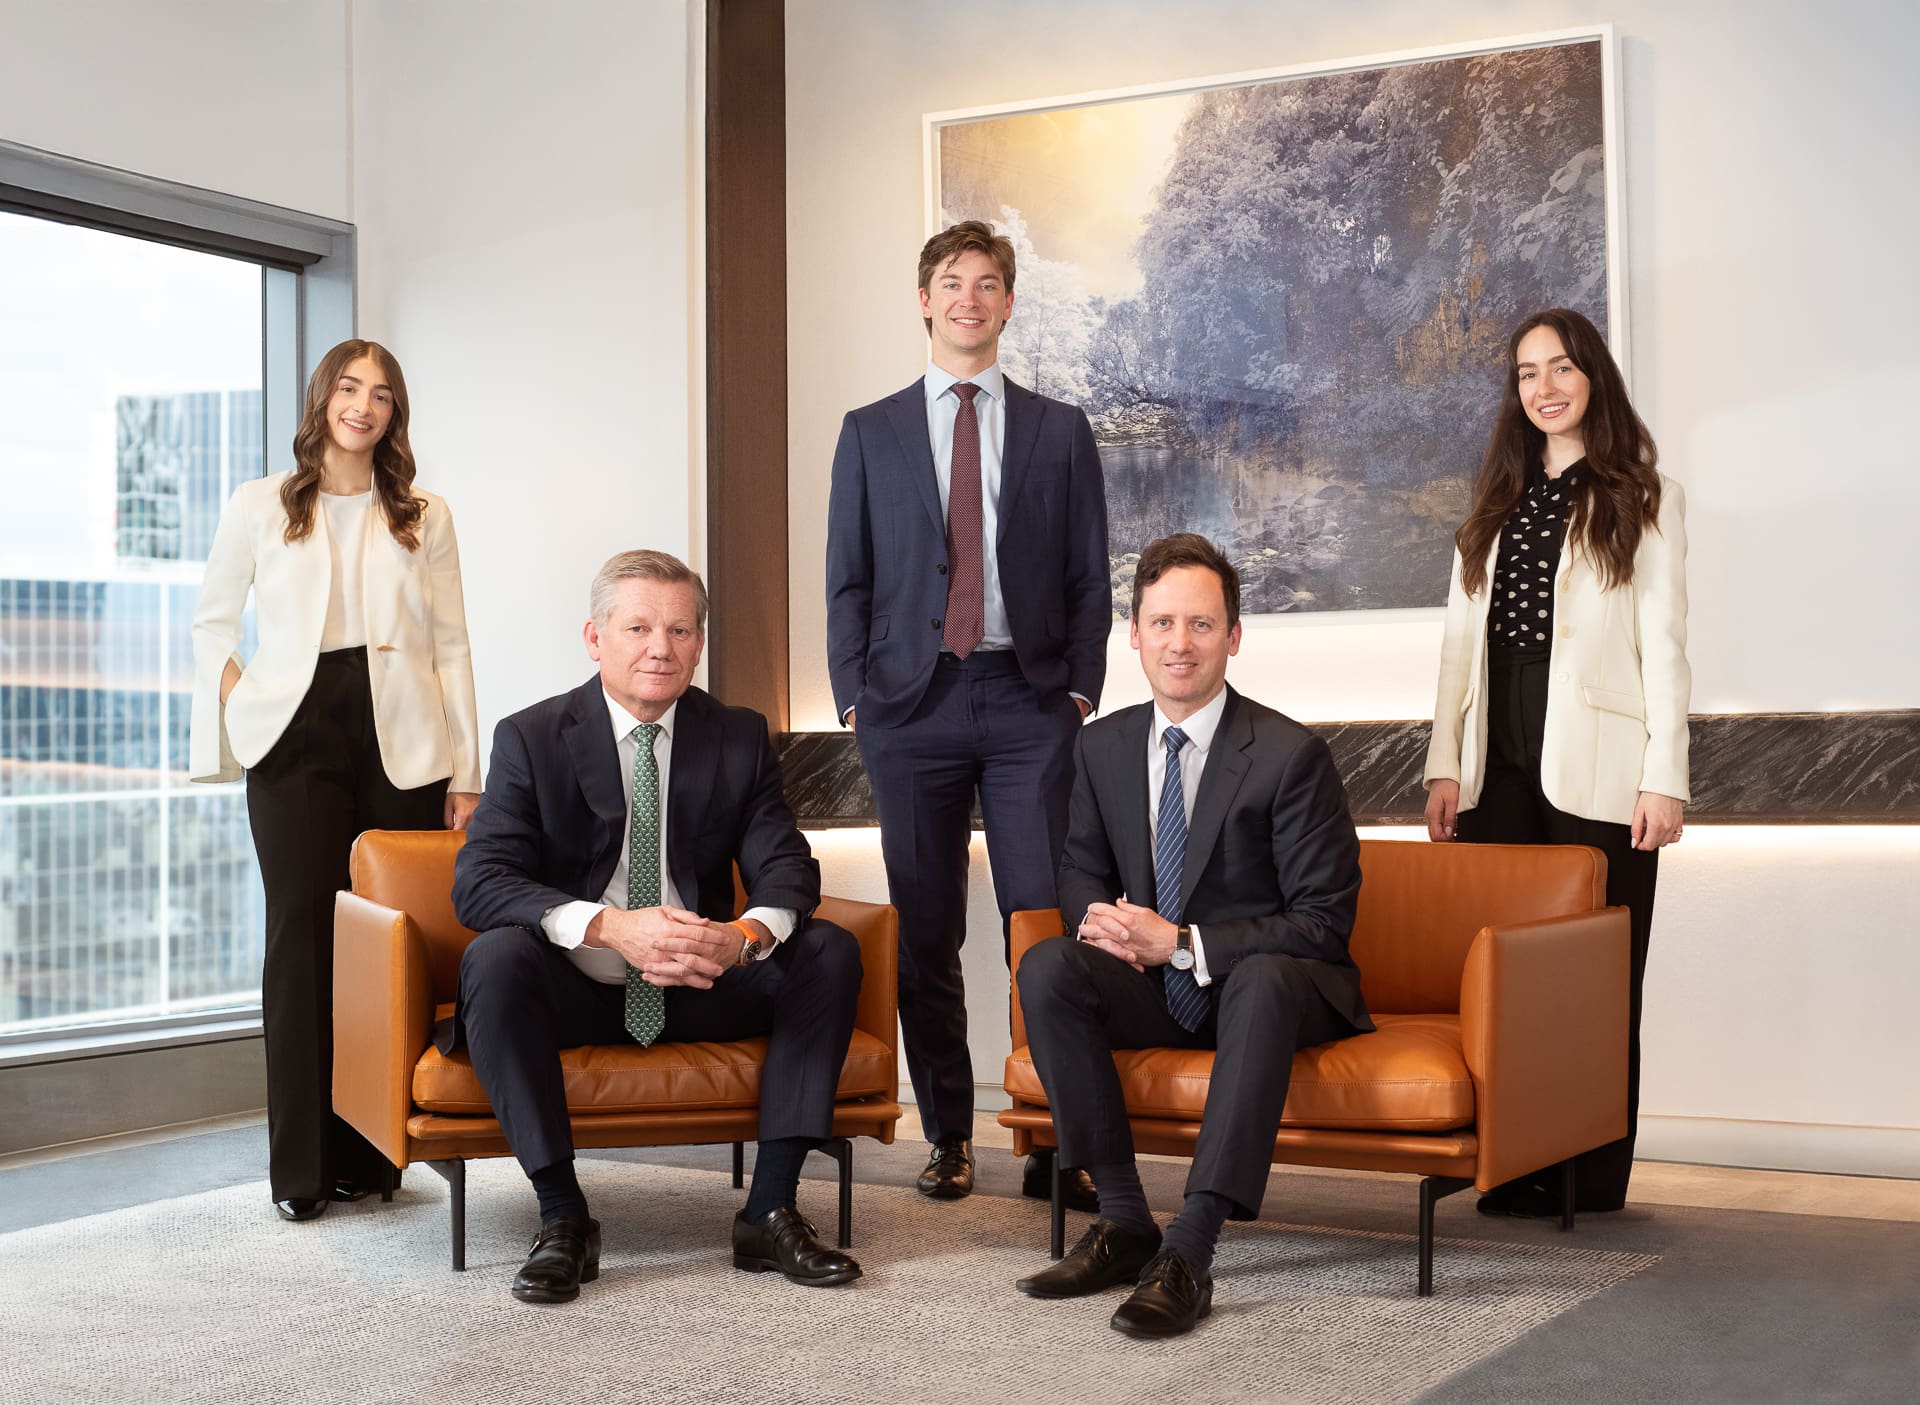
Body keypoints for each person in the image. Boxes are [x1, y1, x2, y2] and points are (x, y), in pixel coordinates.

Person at [448, 550, 864, 1304]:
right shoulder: (531, 737)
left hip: (699, 980)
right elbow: (479, 881)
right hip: (580, 985)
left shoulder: (737, 735)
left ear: (698, 644)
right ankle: (563, 1217)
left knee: (828, 949)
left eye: (679, 630)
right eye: (637, 627)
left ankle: (770, 1211)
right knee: (494, 959)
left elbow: (787, 868)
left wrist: (741, 938)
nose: (659, 648)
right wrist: (608, 927)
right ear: (595, 637)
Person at [1011, 534, 1371, 1339]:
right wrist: (1102, 923)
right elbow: (1079, 869)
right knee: (1048, 964)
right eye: (1163, 622)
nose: (1181, 642)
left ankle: (1190, 1249)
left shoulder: (1291, 755)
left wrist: (1177, 941)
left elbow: (1322, 921)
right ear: (1133, 634)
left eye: (1201, 624)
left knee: (1265, 977)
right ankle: (1123, 1218)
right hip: (1155, 987)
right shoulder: (1100, 745)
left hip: (1270, 994)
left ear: (1233, 636)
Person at [825, 219, 1110, 1205]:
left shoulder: (1058, 430)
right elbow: (847, 579)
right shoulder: (870, 431)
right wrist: (855, 697)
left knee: (1041, 923)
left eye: (988, 283)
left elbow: (1088, 574)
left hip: (1029, 701)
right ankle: (948, 1132)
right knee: (926, 928)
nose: (969, 298)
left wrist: (1079, 690)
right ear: (924, 299)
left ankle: (1052, 1133)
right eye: (952, 281)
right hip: (909, 707)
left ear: (1009, 303)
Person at [191, 340, 481, 1223]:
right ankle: (302, 1169)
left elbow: (453, 644)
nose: (364, 405)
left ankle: (371, 1157)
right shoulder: (259, 504)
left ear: (395, 414)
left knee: (386, 943)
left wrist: (467, 771)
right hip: (296, 731)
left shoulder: (424, 514)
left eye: (382, 395)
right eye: (350, 388)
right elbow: (210, 625)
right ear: (322, 397)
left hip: (402, 735)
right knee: (302, 937)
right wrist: (245, 700)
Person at [1423, 307, 1690, 1217]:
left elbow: (1665, 647)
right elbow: (1457, 653)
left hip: (1601, 768)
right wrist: (1444, 765)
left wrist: (1664, 777)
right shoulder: (1492, 505)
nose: (1545, 386)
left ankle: (1592, 1175)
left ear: (1593, 377)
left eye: (1562, 367)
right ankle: (1514, 1160)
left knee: (1598, 979)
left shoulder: (1645, 496)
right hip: (1496, 761)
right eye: (1528, 372)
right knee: (1506, 981)